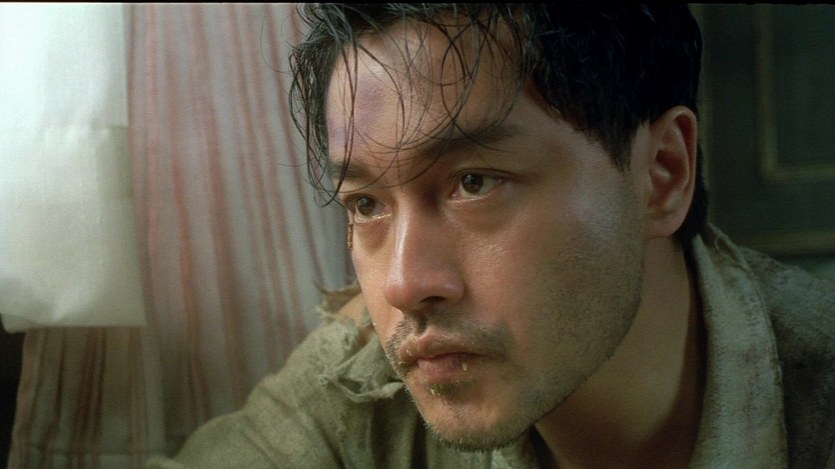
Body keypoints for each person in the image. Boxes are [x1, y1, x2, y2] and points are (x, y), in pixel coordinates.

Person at [147, 4, 835, 468]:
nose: (403, 284)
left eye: (473, 183)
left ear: (661, 174)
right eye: (365, 204)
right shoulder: (365, 386)